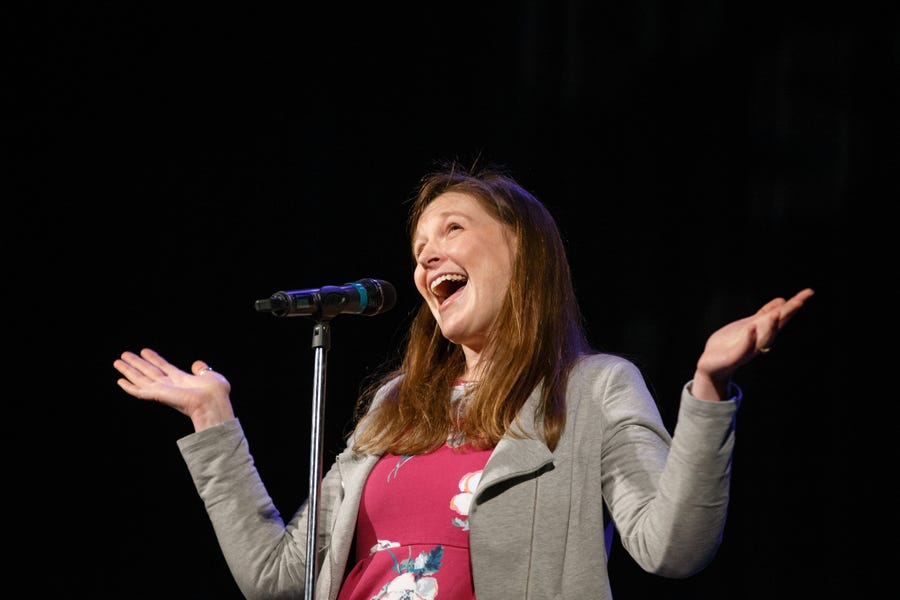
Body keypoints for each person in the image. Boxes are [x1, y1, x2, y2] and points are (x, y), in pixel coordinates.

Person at [113, 161, 815, 600]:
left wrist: (708, 389)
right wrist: (213, 420)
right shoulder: (395, 405)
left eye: (451, 230)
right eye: (419, 247)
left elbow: (673, 548)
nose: (426, 258)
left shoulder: (592, 388)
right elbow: (276, 576)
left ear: (522, 250)